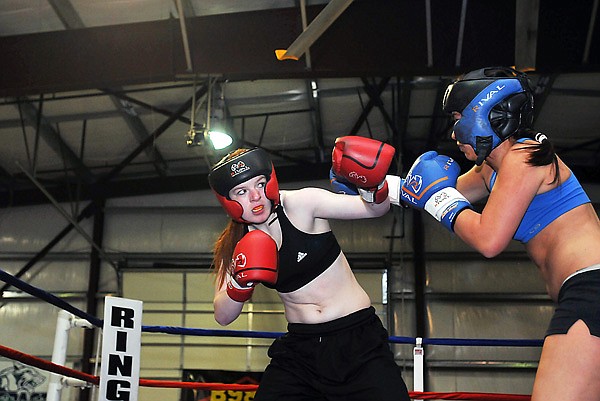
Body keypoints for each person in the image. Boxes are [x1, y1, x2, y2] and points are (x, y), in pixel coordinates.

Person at [391, 66, 600, 401]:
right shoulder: (492, 169)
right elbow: (428, 195)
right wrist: (375, 187)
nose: (455, 132)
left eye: (459, 116)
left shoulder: (525, 157)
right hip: (584, 292)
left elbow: (488, 239)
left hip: (591, 289)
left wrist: (438, 197)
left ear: (486, 112)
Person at [207, 140, 410, 401]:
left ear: (270, 181)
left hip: (358, 342)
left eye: (259, 183)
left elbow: (373, 210)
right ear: (228, 201)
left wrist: (373, 185)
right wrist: (240, 284)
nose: (255, 196)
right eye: (241, 191)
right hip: (300, 352)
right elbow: (223, 315)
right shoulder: (234, 244)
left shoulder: (302, 203)